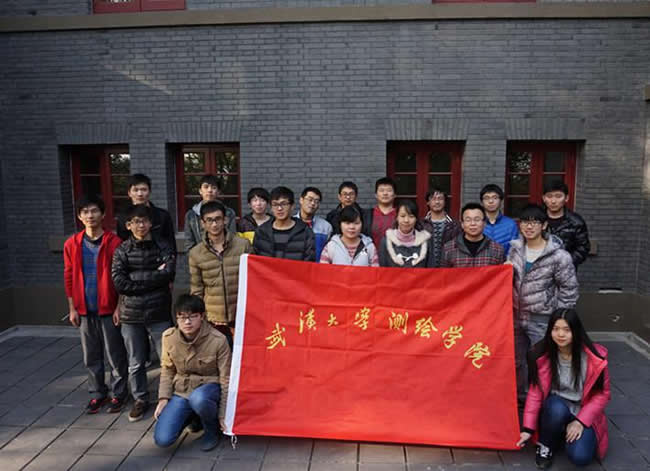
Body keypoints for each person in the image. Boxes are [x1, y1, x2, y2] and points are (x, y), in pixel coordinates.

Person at [516, 309, 610, 469]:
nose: (560, 334)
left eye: (566, 330)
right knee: (556, 408)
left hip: (582, 410)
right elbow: (535, 393)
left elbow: (602, 394)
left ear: (576, 331)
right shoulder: (542, 356)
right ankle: (546, 444)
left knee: (580, 457)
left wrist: (580, 421)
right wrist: (528, 429)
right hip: (555, 408)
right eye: (556, 329)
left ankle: (562, 432)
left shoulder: (594, 357)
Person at [64, 195, 128, 414]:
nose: (90, 215)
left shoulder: (114, 242)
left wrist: (119, 306)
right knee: (91, 355)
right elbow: (69, 276)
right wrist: (72, 308)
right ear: (79, 216)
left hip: (109, 308)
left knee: (115, 355)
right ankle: (97, 393)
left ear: (103, 214)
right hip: (84, 308)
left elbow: (121, 277)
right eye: (85, 212)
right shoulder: (72, 244)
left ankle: (119, 393)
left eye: (94, 211)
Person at [507, 204, 579, 400]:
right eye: (525, 222)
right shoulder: (514, 250)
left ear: (544, 225)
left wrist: (560, 318)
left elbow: (569, 289)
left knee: (542, 361)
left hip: (542, 318)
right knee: (516, 361)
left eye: (534, 222)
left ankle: (541, 399)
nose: (529, 227)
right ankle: (520, 398)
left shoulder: (558, 256)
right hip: (515, 316)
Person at [112, 204, 176, 422]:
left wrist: (135, 278)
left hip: (159, 312)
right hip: (131, 315)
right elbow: (120, 283)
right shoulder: (122, 250)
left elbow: (168, 273)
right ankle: (140, 399)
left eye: (145, 221)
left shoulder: (163, 245)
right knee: (136, 362)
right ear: (128, 225)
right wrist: (153, 277)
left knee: (167, 359)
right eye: (136, 222)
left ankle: (167, 397)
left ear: (151, 223)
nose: (141, 225)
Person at [154, 295, 231, 452]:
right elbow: (167, 370)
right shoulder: (169, 337)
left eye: (193, 316)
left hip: (209, 389)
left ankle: (211, 429)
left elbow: (226, 379)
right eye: (182, 317)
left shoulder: (218, 340)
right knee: (163, 439)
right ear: (176, 318)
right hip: (182, 391)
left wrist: (223, 414)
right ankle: (192, 416)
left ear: (202, 316)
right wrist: (163, 398)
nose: (187, 322)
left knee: (199, 399)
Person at [189, 201, 252, 346]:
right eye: (209, 220)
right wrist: (201, 316)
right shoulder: (196, 253)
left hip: (241, 315)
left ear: (225, 220)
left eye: (218, 219)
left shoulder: (243, 245)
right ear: (202, 223)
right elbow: (197, 289)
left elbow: (253, 281)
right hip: (213, 318)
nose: (214, 224)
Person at [115, 173, 176, 251]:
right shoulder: (123, 217)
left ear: (149, 191)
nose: (140, 194)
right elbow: (121, 245)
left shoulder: (163, 216)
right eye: (136, 190)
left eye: (144, 190)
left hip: (160, 256)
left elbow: (171, 244)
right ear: (129, 193)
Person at [253, 186, 315, 261]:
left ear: (292, 206)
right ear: (271, 208)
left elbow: (309, 262)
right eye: (275, 204)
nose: (279, 208)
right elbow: (255, 261)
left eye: (284, 204)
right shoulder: (261, 232)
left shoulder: (305, 232)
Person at [542, 181, 591, 269]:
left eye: (558, 196)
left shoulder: (576, 221)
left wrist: (565, 262)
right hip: (540, 270)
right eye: (549, 196)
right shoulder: (538, 219)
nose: (553, 201)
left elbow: (583, 248)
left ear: (566, 198)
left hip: (566, 271)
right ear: (544, 198)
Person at [441, 203, 505, 267]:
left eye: (477, 219)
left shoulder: (497, 250)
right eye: (468, 220)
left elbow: (502, 272)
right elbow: (443, 272)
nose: (473, 223)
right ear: (462, 224)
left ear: (484, 223)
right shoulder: (449, 249)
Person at [184, 175, 237, 251]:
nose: (209, 190)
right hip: (199, 256)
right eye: (206, 187)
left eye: (213, 187)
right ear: (200, 191)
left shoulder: (229, 213)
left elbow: (232, 238)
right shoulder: (191, 215)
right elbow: (189, 243)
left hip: (224, 254)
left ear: (218, 192)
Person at [378, 200, 434, 268]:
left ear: (416, 219)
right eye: (402, 216)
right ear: (397, 217)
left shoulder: (426, 241)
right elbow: (382, 270)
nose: (406, 220)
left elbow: (431, 271)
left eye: (411, 216)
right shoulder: (386, 241)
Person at [419, 187, 461, 267]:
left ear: (445, 202)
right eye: (433, 199)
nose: (437, 202)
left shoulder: (455, 225)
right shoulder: (421, 225)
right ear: (428, 202)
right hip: (426, 269)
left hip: (448, 268)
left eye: (440, 198)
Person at [480, 184, 519, 256]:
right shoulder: (477, 223)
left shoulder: (511, 224)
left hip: (504, 262)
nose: (491, 201)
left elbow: (514, 249)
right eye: (486, 198)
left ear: (501, 200)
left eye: (495, 198)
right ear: (482, 202)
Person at [295, 186, 332, 262]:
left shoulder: (326, 227)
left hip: (317, 267)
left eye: (316, 201)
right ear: (301, 200)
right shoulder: (290, 223)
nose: (313, 203)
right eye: (310, 199)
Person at [364, 177, 397, 250]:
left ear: (395, 195)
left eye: (389, 190)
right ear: (376, 195)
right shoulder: (366, 215)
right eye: (381, 190)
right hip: (372, 255)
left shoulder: (400, 215)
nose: (385, 193)